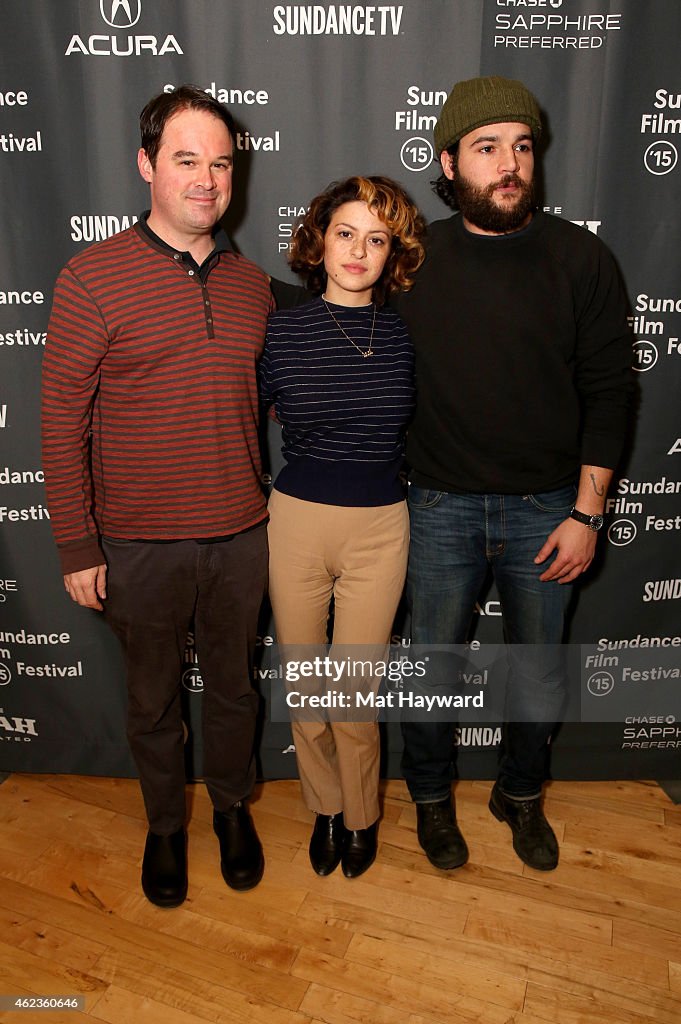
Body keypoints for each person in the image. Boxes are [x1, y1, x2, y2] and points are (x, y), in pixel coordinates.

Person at [394, 76, 633, 872]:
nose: (508, 164)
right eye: (488, 147)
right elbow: (332, 316)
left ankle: (518, 795)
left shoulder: (580, 258)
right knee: (430, 671)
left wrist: (586, 513)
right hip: (437, 508)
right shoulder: (411, 260)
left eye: (522, 147)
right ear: (449, 159)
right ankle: (430, 801)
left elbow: (609, 392)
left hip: (549, 509)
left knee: (540, 674)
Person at [41, 85, 272, 907]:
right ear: (146, 166)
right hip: (136, 545)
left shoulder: (254, 288)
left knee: (237, 690)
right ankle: (165, 826)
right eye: (186, 160)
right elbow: (61, 422)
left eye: (220, 163)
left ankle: (233, 810)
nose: (206, 180)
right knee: (152, 702)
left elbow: (273, 403)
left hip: (243, 536)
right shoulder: (92, 278)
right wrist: (77, 544)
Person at [260, 176, 425, 878]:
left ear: (393, 253)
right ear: (318, 241)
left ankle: (361, 819)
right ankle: (325, 808)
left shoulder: (407, 334)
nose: (359, 250)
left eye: (376, 239)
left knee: (355, 694)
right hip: (294, 521)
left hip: (380, 527)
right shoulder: (279, 328)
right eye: (345, 233)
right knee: (305, 686)